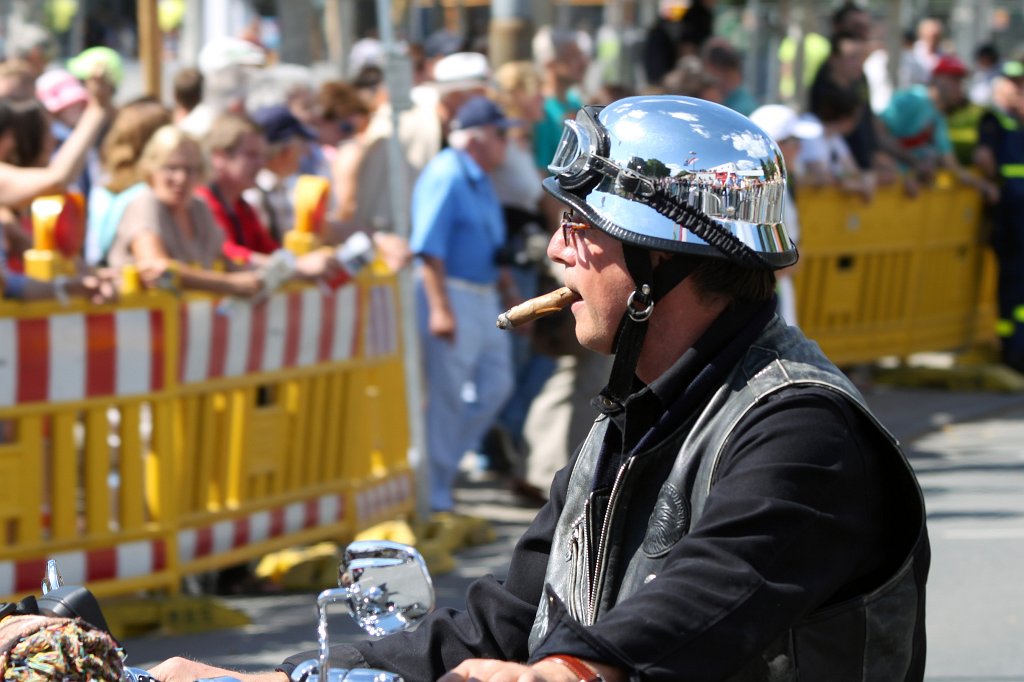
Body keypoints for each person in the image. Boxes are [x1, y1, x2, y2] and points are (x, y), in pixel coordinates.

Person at [150, 95, 929, 682]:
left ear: (664, 258)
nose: (556, 249)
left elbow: (702, 606)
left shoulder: (800, 431)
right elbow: (500, 622)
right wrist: (282, 677)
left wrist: (569, 669)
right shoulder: (635, 419)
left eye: (581, 227)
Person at [410, 95, 516, 513]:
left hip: (482, 293)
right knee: (448, 394)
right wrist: (438, 307)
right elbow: (428, 251)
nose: (505, 141)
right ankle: (435, 487)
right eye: (500, 133)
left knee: (496, 386)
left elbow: (491, 245)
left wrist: (509, 293)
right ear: (476, 138)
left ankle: (440, 469)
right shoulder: (446, 174)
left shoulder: (477, 176)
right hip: (451, 292)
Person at [975, 73, 1024, 372]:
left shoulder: (1016, 121)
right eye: (1013, 84)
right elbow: (983, 157)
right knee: (1014, 283)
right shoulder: (995, 119)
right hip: (1013, 209)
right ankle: (1012, 350)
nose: (1018, 90)